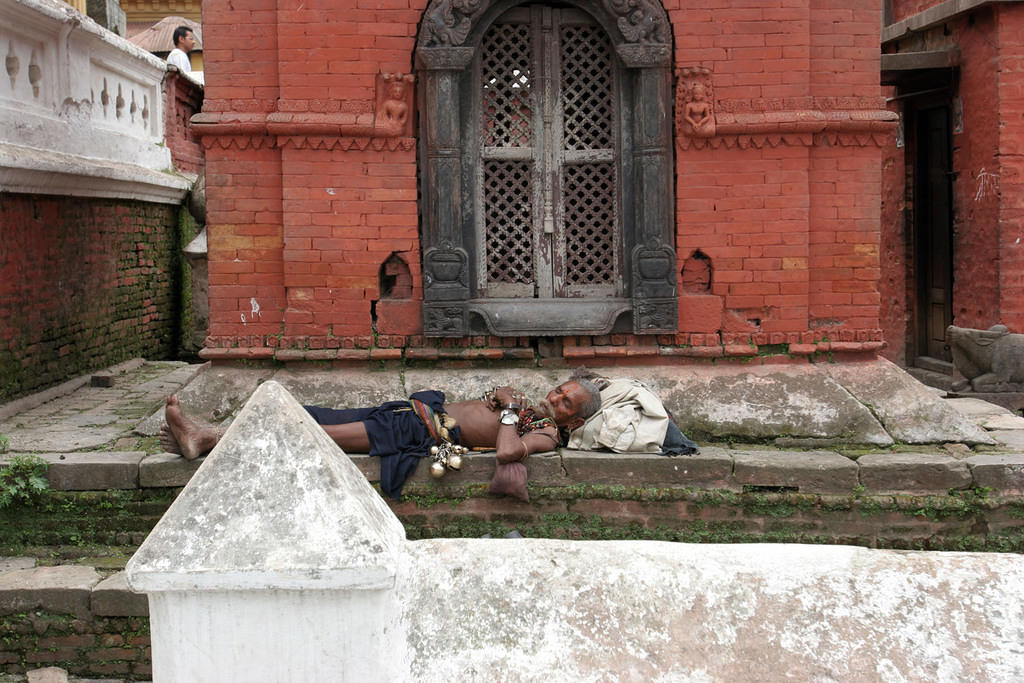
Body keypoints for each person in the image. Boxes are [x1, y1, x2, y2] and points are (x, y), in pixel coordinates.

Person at [160, 376, 602, 498]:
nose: (555, 400)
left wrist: (507, 408)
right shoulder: (524, 409)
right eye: (558, 391)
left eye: (566, 404)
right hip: (406, 412)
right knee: (310, 413)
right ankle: (210, 432)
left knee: (311, 431)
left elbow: (508, 452)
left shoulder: (543, 433)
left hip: (410, 431)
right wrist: (502, 399)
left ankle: (209, 437)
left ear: (573, 422)